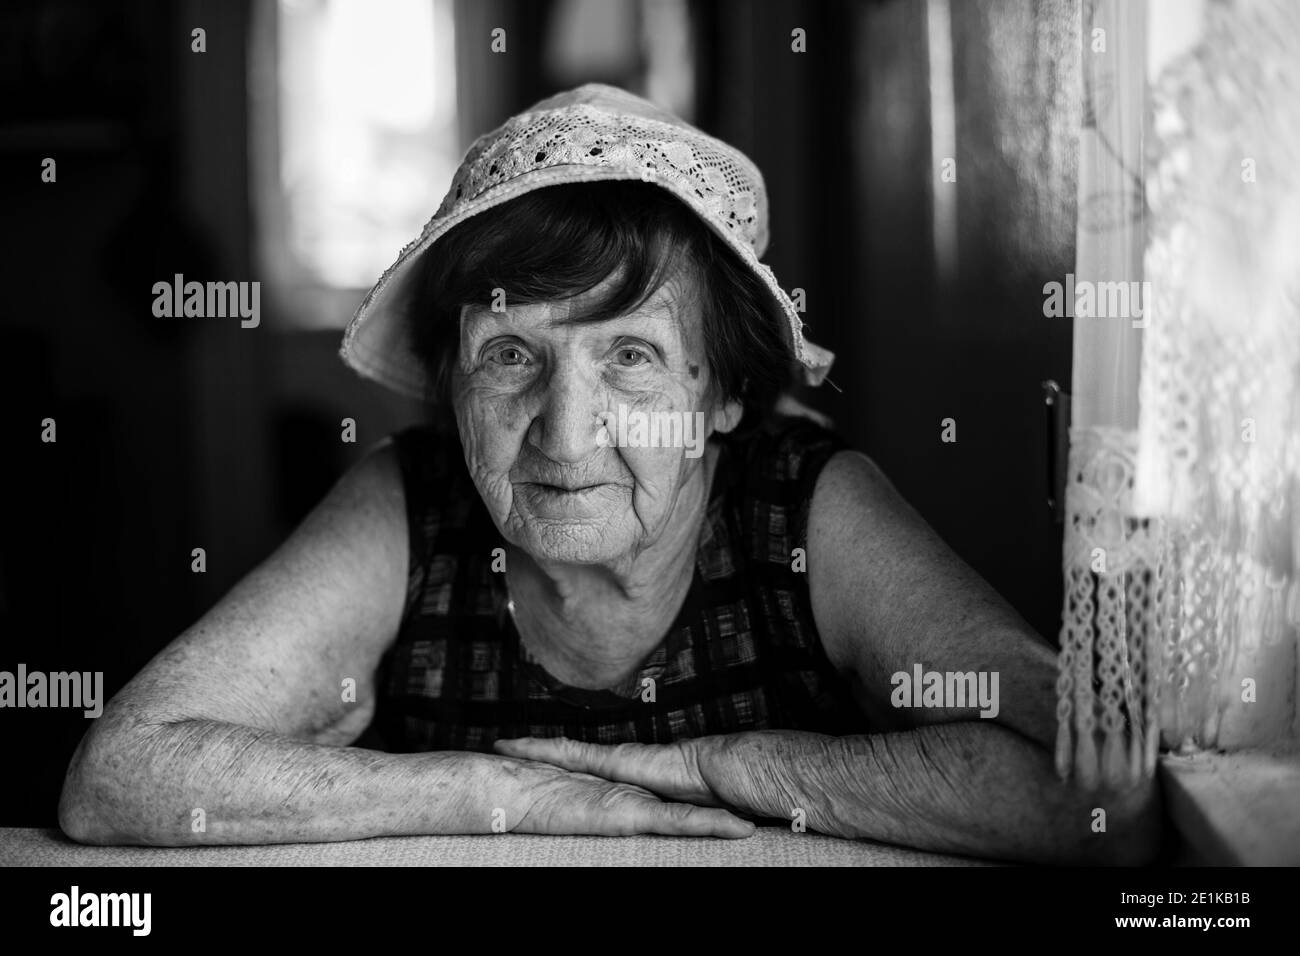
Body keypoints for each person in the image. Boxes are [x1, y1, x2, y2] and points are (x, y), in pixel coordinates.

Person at [58, 84, 1158, 862]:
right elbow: (121, 774)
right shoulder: (409, 499)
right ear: (452, 385)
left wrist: (733, 767)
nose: (565, 434)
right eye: (510, 356)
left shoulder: (807, 507)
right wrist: (494, 789)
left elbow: (1096, 791)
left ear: (721, 392)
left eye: (628, 357)